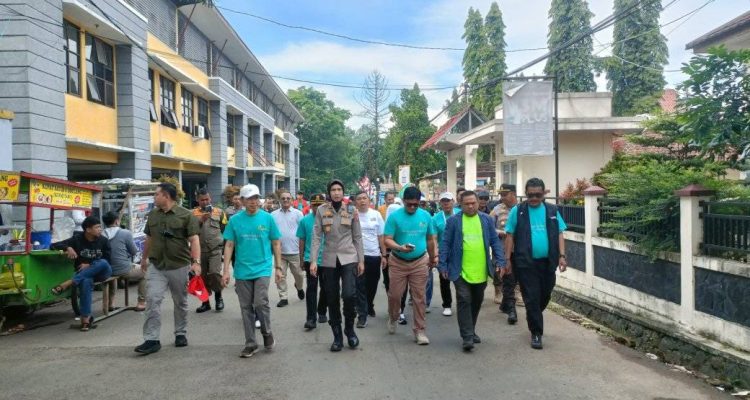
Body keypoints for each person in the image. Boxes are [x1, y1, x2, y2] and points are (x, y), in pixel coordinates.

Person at [134, 182, 201, 355]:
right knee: (152, 299)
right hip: (157, 265)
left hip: (179, 265)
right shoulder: (153, 215)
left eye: (156, 194)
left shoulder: (185, 215)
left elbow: (194, 239)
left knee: (180, 301)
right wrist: (144, 258)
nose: (154, 197)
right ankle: (152, 339)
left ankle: (180, 333)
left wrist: (196, 262)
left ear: (166, 196)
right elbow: (149, 238)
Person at [503, 178, 567, 350]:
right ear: (526, 193)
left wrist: (562, 255)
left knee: (545, 294)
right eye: (530, 195)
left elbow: (560, 233)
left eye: (537, 195)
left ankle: (533, 313)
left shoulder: (552, 210)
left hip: (548, 262)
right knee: (531, 297)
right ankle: (536, 333)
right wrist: (507, 259)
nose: (533, 198)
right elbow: (509, 235)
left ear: (543, 194)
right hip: (525, 262)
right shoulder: (518, 211)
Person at [438, 191, 506, 351]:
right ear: (460, 205)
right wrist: (443, 265)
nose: (470, 206)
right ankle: (467, 337)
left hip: (481, 270)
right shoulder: (454, 221)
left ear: (477, 203)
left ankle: (471, 329)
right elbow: (445, 243)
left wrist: (500, 261)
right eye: (466, 204)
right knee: (464, 299)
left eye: (473, 203)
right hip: (459, 270)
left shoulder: (486, 220)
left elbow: (495, 241)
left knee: (476, 301)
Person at [222, 184, 282, 358]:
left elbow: (276, 242)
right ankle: (250, 343)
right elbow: (229, 245)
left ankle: (267, 332)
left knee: (260, 302)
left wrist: (278, 267)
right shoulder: (235, 220)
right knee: (246, 307)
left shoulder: (267, 218)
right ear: (242, 201)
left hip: (263, 267)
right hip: (242, 270)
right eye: (249, 199)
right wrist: (225, 271)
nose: (253, 202)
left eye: (255, 198)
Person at [310, 179, 365, 352]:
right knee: (332, 298)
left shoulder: (351, 210)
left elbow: (357, 236)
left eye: (339, 189)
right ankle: (337, 336)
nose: (336, 192)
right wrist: (313, 260)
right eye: (333, 190)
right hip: (329, 260)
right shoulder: (321, 210)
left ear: (343, 192)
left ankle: (349, 329)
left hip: (349, 257)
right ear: (329, 193)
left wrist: (361, 260)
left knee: (349, 295)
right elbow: (316, 236)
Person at [383, 186, 438, 345]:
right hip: (398, 261)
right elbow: (387, 239)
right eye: (409, 204)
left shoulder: (425, 216)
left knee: (419, 297)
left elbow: (430, 239)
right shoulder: (394, 217)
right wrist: (400, 248)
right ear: (403, 201)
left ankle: (420, 330)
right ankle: (393, 316)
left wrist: (433, 257)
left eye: (416, 204)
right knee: (395, 295)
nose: (413, 207)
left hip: (420, 262)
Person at [50, 216, 112, 331]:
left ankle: (68, 283)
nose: (100, 229)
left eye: (100, 227)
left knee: (102, 262)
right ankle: (85, 320)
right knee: (85, 281)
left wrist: (90, 264)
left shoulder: (103, 240)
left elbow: (108, 260)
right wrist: (68, 248)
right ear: (88, 229)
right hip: (84, 275)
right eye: (97, 227)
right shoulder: (77, 239)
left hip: (102, 272)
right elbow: (53, 245)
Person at [353, 191, 386, 328]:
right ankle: (363, 314)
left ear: (369, 200)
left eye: (364, 198)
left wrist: (384, 255)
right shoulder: (352, 215)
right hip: (357, 256)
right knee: (360, 285)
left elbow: (381, 236)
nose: (362, 201)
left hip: (374, 255)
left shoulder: (376, 215)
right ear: (355, 202)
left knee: (372, 284)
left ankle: (369, 304)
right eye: (359, 199)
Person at [102, 211, 146, 312]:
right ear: (117, 221)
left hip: (106, 270)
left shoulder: (101, 234)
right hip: (123, 269)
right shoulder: (125, 233)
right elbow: (134, 251)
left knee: (113, 273)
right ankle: (141, 302)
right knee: (145, 272)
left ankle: (111, 303)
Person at [192, 188, 228, 313]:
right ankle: (205, 302)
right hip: (200, 251)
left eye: (207, 199)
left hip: (215, 249)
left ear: (210, 198)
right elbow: (190, 232)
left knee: (214, 273)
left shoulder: (219, 212)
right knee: (201, 277)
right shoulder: (192, 214)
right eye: (202, 200)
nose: (205, 202)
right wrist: (200, 221)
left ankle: (219, 297)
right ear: (197, 200)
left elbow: (224, 229)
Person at [296, 193, 328, 330]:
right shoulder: (304, 221)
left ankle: (322, 310)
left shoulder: (330, 219)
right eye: (315, 205)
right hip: (311, 259)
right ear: (311, 206)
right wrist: (301, 259)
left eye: (320, 205)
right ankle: (311, 318)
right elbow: (302, 240)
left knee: (326, 288)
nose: (317, 208)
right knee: (311, 289)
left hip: (327, 259)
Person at [490, 184, 520, 324]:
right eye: (501, 195)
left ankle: (505, 304)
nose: (502, 197)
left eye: (505, 194)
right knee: (507, 278)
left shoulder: (522, 209)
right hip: (502, 250)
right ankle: (511, 309)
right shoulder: (496, 210)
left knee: (516, 278)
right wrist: (502, 232)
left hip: (519, 251)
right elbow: (489, 228)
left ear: (513, 194)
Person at [271, 190, 305, 307]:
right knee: (281, 275)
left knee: (299, 275)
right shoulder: (273, 215)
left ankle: (299, 287)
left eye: (288, 198)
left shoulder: (298, 214)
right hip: (279, 252)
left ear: (291, 200)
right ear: (279, 200)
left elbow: (303, 232)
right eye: (283, 198)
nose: (285, 200)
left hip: (295, 251)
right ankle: (283, 297)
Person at [430, 192, 456, 317]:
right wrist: (435, 254)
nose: (446, 203)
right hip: (443, 253)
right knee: (444, 279)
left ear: (453, 201)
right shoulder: (436, 218)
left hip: (459, 252)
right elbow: (434, 238)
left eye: (448, 201)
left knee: (460, 280)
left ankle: (464, 303)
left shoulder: (460, 213)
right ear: (440, 203)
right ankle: (447, 305)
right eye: (443, 201)